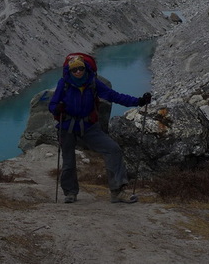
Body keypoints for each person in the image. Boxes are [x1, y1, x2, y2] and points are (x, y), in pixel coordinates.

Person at [48, 54, 152, 204]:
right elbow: (52, 105)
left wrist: (138, 101)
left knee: (113, 149)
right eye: (74, 69)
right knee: (69, 161)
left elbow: (113, 96)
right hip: (67, 127)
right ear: (69, 71)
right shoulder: (63, 84)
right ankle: (70, 193)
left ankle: (117, 192)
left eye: (80, 68)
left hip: (89, 126)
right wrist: (56, 108)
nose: (78, 72)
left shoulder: (93, 83)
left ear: (85, 68)